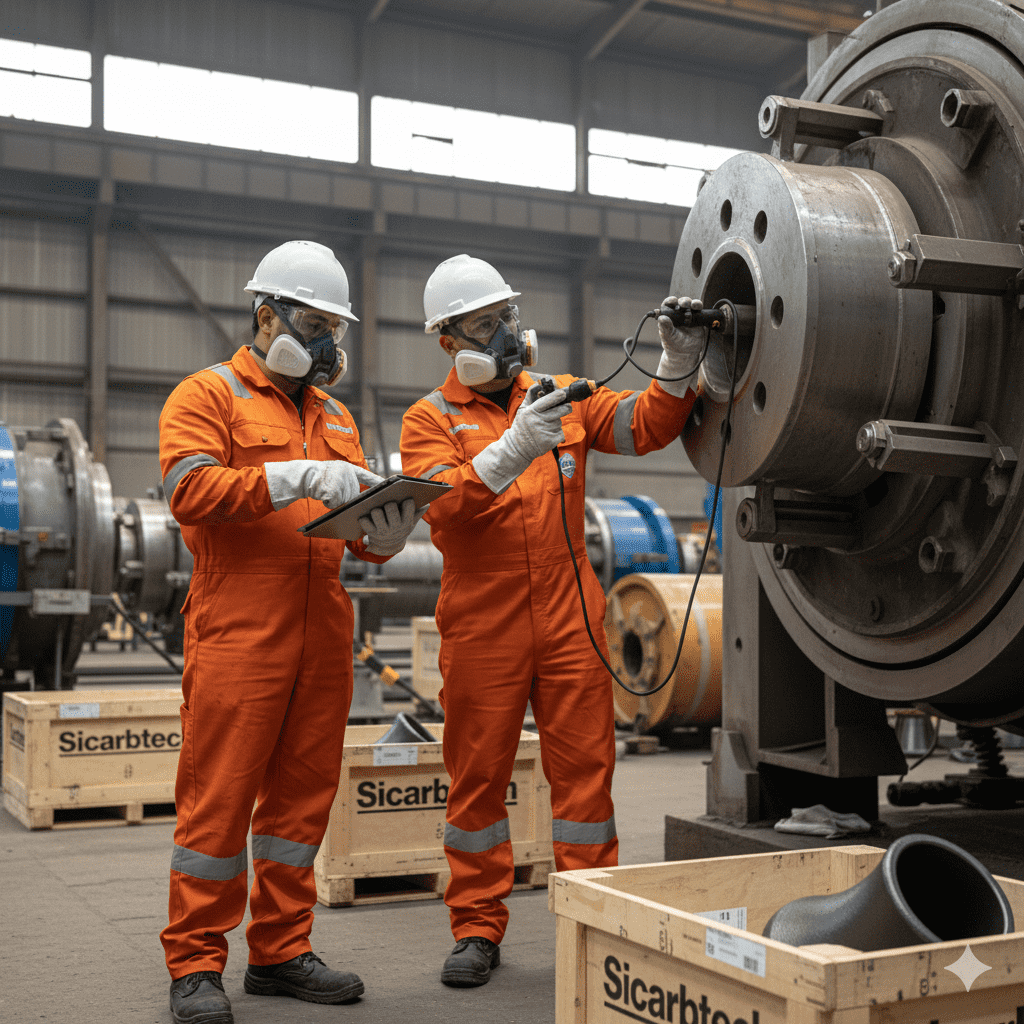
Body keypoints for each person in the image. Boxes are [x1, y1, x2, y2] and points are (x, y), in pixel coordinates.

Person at [399, 254, 705, 987]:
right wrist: (511, 450)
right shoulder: (429, 418)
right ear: (449, 340)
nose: (505, 333)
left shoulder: (559, 396)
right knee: (477, 781)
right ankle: (477, 927)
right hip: (484, 627)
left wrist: (675, 363)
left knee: (586, 783)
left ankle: (592, 921)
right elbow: (442, 508)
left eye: (506, 316)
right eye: (484, 324)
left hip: (571, 621)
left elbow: (642, 426)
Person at [158, 240, 422, 1024]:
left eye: (334, 328)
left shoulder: (335, 415)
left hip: (323, 630)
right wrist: (293, 476)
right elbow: (189, 492)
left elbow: (357, 538)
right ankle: (196, 963)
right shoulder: (207, 394)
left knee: (301, 806)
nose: (326, 343)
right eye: (313, 323)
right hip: (238, 627)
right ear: (265, 316)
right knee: (218, 802)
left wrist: (387, 530)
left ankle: (279, 951)